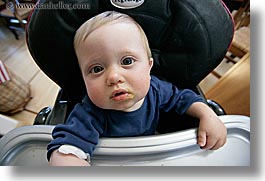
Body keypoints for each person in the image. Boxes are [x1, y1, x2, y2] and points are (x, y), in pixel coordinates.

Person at [47, 11, 227, 166]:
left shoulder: (155, 90)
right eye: (97, 69)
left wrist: (207, 114)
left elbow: (183, 99)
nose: (113, 77)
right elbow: (66, 148)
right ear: (83, 79)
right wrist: (67, 159)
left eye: (127, 61)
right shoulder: (90, 113)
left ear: (149, 66)